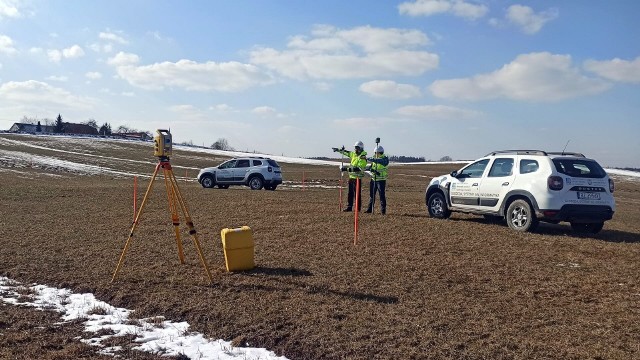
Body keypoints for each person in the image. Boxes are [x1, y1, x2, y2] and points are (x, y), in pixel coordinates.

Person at [332, 141, 368, 212]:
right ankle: (349, 207)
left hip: (357, 178)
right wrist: (339, 150)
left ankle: (357, 208)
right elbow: (346, 152)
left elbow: (358, 168)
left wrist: (345, 169)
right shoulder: (354, 154)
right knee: (350, 193)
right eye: (355, 148)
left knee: (357, 194)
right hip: (351, 177)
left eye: (357, 148)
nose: (355, 149)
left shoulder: (362, 157)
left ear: (361, 148)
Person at [365, 145, 389, 214]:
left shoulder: (385, 159)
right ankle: (369, 209)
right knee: (371, 195)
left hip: (381, 180)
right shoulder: (374, 159)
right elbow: (371, 167)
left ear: (380, 152)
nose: (375, 154)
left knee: (381, 195)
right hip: (373, 179)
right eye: (375, 153)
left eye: (376, 153)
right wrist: (366, 169)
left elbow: (380, 161)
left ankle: (383, 211)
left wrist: (371, 159)